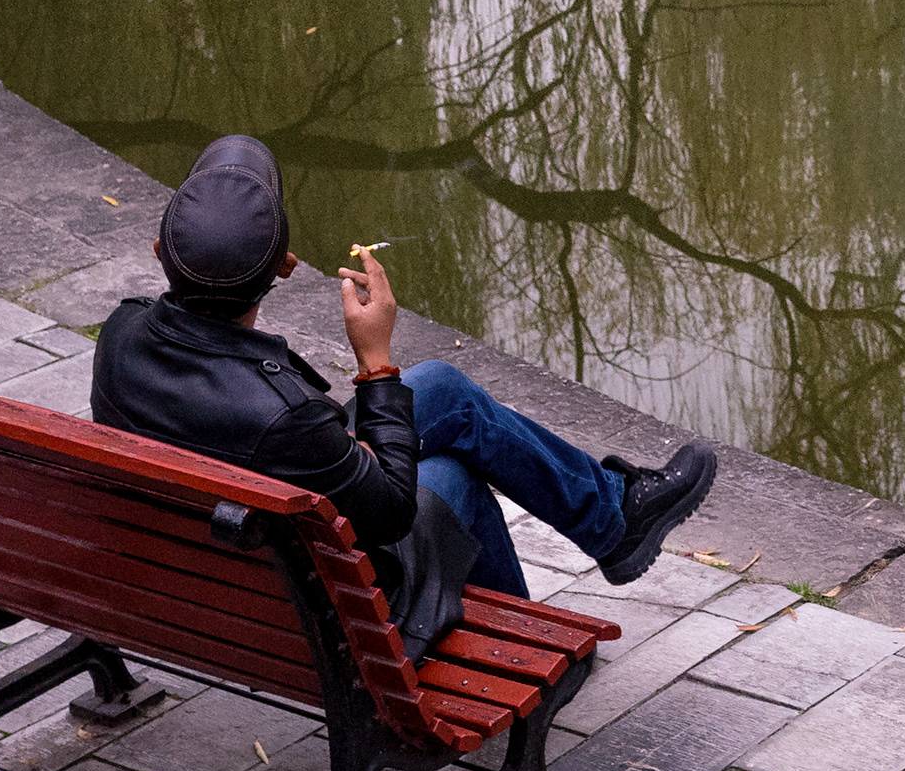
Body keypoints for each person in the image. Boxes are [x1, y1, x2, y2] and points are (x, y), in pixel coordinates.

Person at [91, 136, 717, 654]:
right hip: (323, 611)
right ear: (285, 266)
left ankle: (613, 517)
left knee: (442, 390)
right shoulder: (288, 417)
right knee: (452, 479)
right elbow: (390, 509)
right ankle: (531, 653)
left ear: (158, 254)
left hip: (207, 576)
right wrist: (375, 360)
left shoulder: (121, 334)